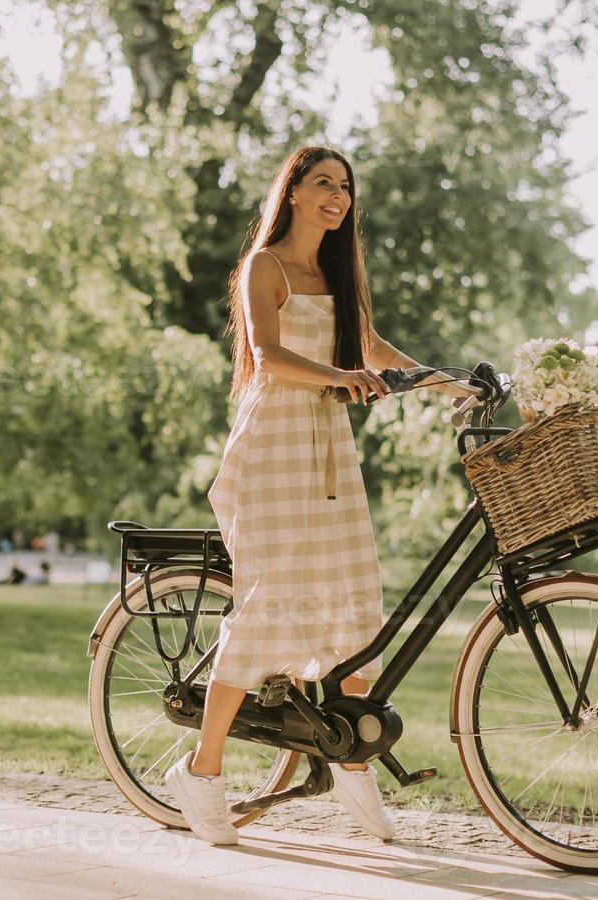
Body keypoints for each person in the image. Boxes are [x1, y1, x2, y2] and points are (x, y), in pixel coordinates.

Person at [162, 146, 482, 847]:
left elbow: (369, 344)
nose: (337, 197)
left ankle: (350, 764)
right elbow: (269, 357)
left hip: (330, 447)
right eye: (323, 184)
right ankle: (202, 770)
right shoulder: (265, 265)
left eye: (345, 187)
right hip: (276, 441)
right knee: (267, 602)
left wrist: (442, 382)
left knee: (353, 600)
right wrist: (339, 377)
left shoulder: (337, 272)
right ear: (295, 193)